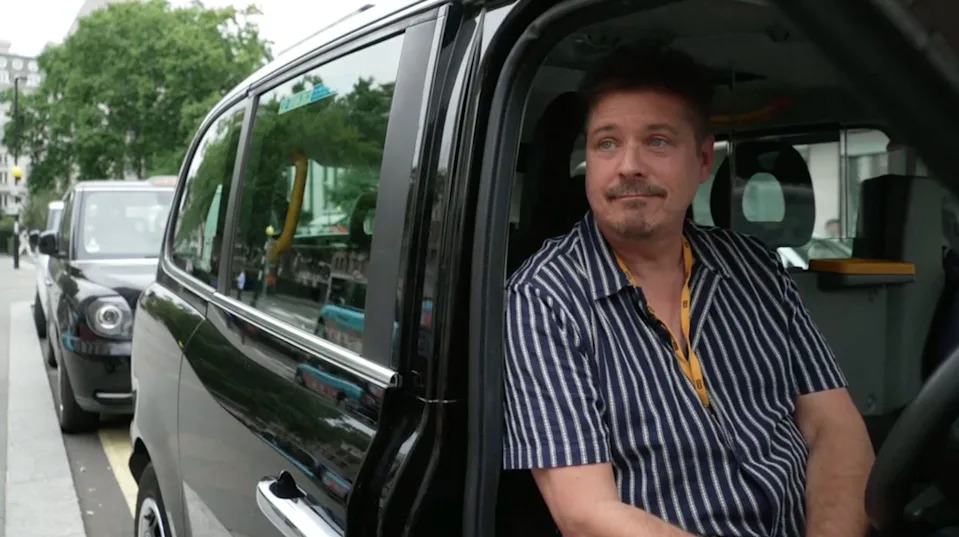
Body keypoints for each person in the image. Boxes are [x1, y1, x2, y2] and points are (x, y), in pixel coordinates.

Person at [503, 43, 875, 537]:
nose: (628, 165)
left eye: (657, 141)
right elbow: (586, 514)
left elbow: (837, 428)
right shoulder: (544, 299)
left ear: (703, 160)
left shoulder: (756, 268)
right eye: (606, 143)